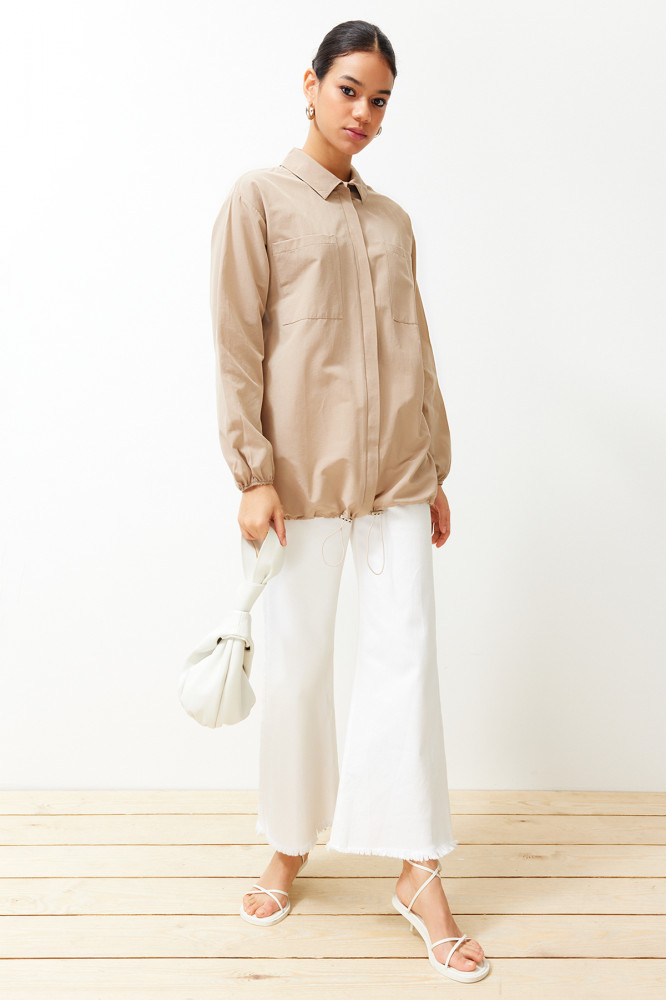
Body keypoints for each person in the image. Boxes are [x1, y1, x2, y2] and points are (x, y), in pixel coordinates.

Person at [209, 20, 490, 985]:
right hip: (301, 486)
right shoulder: (258, 200)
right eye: (349, 90)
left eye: (380, 100)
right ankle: (290, 842)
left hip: (399, 480)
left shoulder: (393, 221)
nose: (364, 112)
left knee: (406, 664)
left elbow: (417, 347)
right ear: (311, 84)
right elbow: (237, 345)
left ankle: (419, 872)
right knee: (297, 670)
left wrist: (435, 464)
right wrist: (251, 473)